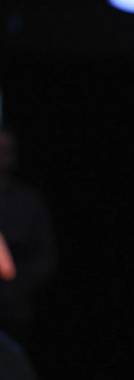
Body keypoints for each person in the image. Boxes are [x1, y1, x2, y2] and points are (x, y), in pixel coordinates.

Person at [0, 128, 56, 349]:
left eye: (8, 151)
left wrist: (18, 287)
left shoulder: (28, 202)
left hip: (15, 312)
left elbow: (46, 256)